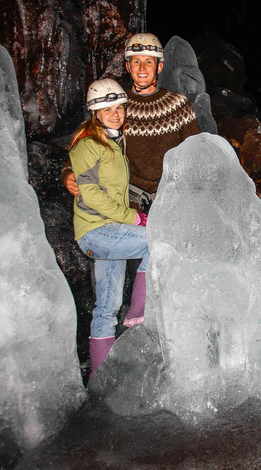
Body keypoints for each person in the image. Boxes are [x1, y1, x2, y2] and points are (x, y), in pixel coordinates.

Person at [63, 33, 200, 328]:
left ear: (159, 67)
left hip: (168, 202)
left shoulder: (178, 105)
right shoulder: (114, 105)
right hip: (125, 209)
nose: (141, 68)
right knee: (111, 296)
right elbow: (85, 146)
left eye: (148, 62)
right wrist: (68, 175)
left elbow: (196, 154)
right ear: (127, 66)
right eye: (135, 61)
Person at [69, 78, 150, 377]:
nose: (115, 113)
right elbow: (90, 193)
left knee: (106, 306)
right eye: (107, 109)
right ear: (95, 113)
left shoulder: (114, 142)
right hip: (98, 231)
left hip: (110, 232)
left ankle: (99, 376)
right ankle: (140, 308)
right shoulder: (89, 144)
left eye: (119, 107)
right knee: (156, 240)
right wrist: (134, 218)